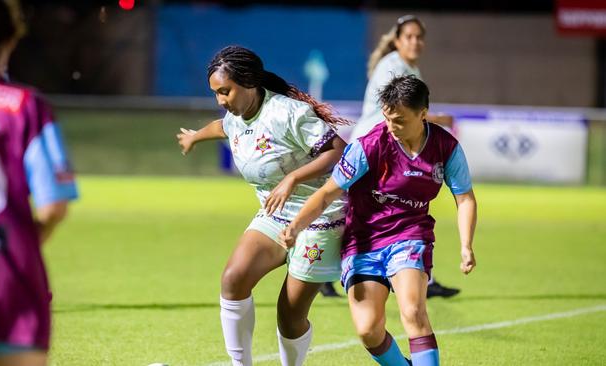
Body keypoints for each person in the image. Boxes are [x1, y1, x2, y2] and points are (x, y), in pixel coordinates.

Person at [281, 76, 477, 366]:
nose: (390, 127)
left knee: (413, 311)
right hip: (363, 241)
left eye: (398, 120)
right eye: (387, 118)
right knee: (368, 330)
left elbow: (465, 198)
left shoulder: (445, 147)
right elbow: (326, 194)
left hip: (410, 236)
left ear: (423, 114)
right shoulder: (370, 145)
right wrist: (295, 227)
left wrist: (466, 245)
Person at [177, 46, 349, 366]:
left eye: (225, 92)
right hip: (274, 215)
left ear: (250, 82)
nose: (221, 101)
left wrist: (293, 178)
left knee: (289, 315)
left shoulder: (287, 112)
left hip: (319, 217)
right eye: (216, 93)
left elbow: (339, 151)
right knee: (234, 279)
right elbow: (220, 126)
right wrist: (194, 137)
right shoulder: (235, 118)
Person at [0, 1, 79, 365]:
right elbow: (54, 206)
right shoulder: (27, 106)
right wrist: (23, 242)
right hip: (9, 273)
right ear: (10, 42)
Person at [354, 15, 459, 299]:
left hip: (388, 146)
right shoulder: (394, 67)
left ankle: (423, 275)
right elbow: (395, 112)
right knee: (383, 208)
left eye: (418, 37)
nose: (415, 41)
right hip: (376, 147)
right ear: (398, 40)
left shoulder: (407, 67)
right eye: (409, 36)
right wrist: (438, 118)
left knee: (397, 206)